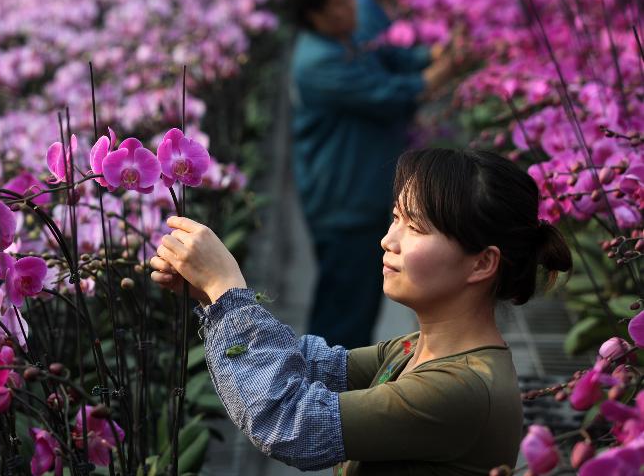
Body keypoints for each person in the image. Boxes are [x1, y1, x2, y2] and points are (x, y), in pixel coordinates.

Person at [150, 148, 572, 474]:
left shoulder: (462, 389)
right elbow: (309, 365)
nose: (389, 240)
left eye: (417, 226)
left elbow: (288, 422)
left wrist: (227, 291)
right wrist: (210, 294)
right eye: (395, 217)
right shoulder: (414, 350)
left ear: (482, 262)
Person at [287, 0, 457, 348]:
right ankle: (325, 395)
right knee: (344, 307)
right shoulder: (318, 60)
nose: (353, 11)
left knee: (358, 301)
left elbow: (388, 57)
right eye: (341, 6)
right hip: (342, 202)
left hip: (358, 192)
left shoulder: (344, 38)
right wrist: (443, 69)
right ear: (314, 15)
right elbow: (389, 92)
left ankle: (337, 386)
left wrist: (431, 54)